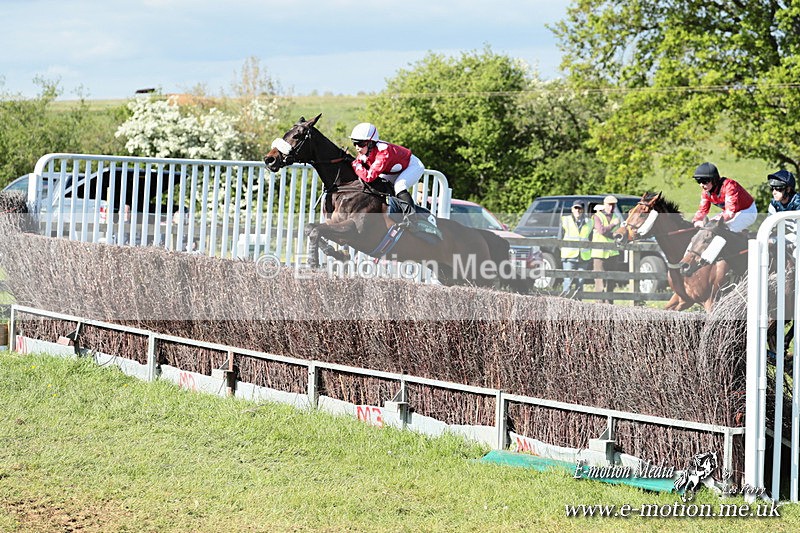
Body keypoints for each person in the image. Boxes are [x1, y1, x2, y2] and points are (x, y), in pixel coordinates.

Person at [349, 122, 435, 228]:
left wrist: (354, 164)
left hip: (413, 166)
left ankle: (413, 220)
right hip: (395, 170)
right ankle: (419, 213)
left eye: (361, 144)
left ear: (370, 143)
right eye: (355, 143)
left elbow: (369, 176)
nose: (357, 148)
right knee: (382, 186)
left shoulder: (383, 151)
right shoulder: (366, 152)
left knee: (399, 186)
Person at [691, 162, 757, 233]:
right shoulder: (706, 192)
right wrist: (694, 222)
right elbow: (702, 211)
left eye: (704, 181)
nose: (701, 185)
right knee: (709, 228)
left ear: (714, 179)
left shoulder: (730, 186)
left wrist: (710, 222)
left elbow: (730, 212)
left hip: (747, 211)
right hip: (731, 213)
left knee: (721, 231)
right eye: (698, 181)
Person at [591, 195, 623, 304]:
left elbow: (618, 234)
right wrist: (612, 225)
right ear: (605, 204)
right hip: (599, 253)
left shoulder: (616, 217)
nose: (611, 207)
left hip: (612, 253)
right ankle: (599, 305)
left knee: (611, 281)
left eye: (613, 205)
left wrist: (613, 233)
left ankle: (610, 304)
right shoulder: (597, 216)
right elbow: (602, 231)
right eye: (610, 205)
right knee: (599, 281)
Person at [560, 199, 592, 298]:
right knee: (567, 281)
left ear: (583, 210)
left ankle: (578, 306)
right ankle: (565, 304)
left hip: (583, 256)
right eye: (576, 208)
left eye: (580, 208)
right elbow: (559, 238)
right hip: (569, 256)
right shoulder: (565, 220)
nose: (577, 210)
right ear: (572, 209)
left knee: (580, 283)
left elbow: (591, 239)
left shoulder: (590, 222)